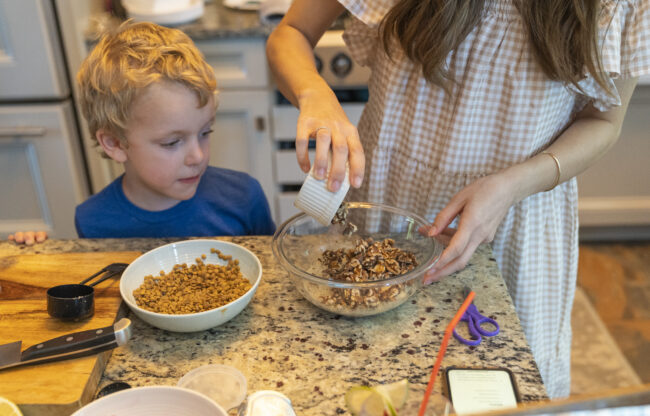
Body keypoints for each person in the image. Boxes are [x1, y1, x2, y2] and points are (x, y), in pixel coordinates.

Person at [266, 0, 649, 398]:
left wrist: (511, 185)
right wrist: (316, 96)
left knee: (495, 391)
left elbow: (603, 121)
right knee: (376, 386)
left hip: (513, 221)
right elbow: (290, 33)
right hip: (387, 204)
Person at [72, 21, 275, 238]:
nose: (198, 156)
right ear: (115, 143)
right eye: (172, 143)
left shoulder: (243, 198)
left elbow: (273, 267)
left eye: (205, 133)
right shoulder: (93, 221)